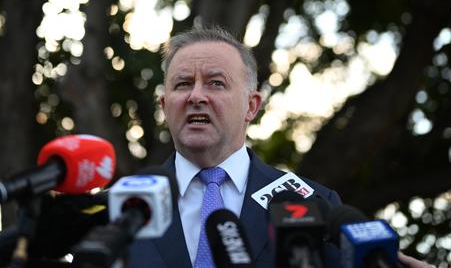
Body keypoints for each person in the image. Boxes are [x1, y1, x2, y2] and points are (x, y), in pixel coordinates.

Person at [127, 26, 342, 267]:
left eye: (216, 83)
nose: (196, 96)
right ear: (165, 106)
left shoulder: (315, 204)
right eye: (183, 84)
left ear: (251, 106)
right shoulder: (121, 208)